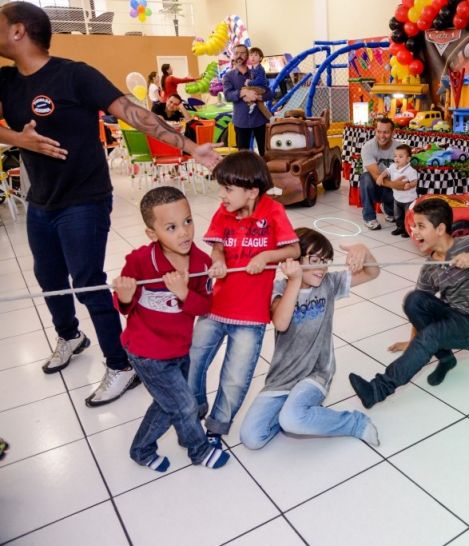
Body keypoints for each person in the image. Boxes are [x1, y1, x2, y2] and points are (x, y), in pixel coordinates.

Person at [0, 2, 220, 407]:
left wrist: (191, 148)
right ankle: (70, 336)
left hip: (84, 198)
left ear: (18, 32)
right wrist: (19, 140)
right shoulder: (6, 81)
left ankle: (120, 365)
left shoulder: (75, 75)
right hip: (41, 201)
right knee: (48, 279)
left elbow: (134, 114)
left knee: (87, 282)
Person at [348, 199, 469, 408]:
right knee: (414, 299)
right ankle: (446, 358)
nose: (414, 231)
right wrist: (412, 342)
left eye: (420, 226)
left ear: (440, 229)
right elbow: (418, 311)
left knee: (432, 334)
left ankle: (378, 389)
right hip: (452, 316)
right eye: (413, 226)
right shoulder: (430, 266)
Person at [112, 187, 229, 472]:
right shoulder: (139, 260)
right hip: (147, 353)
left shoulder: (201, 262)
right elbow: (122, 305)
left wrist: (184, 293)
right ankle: (198, 450)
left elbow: (203, 308)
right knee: (185, 405)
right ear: (152, 234)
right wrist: (125, 294)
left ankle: (141, 449)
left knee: (170, 405)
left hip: (179, 349)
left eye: (188, 221)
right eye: (171, 227)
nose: (184, 233)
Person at [188, 151, 300, 447]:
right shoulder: (222, 212)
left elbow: (294, 251)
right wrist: (218, 258)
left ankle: (216, 426)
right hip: (215, 308)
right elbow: (217, 247)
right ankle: (194, 408)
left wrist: (266, 255)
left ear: (252, 191)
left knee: (235, 377)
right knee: (193, 359)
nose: (221, 195)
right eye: (221, 187)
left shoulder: (273, 211)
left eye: (228, 189)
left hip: (250, 316)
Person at [239, 228, 381, 450]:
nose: (322, 268)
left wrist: (365, 251)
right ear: (292, 260)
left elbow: (373, 273)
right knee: (252, 438)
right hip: (282, 378)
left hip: (316, 373)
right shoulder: (278, 288)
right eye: (314, 260)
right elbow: (281, 322)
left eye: (326, 261)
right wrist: (294, 281)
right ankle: (296, 412)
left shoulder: (329, 284)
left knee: (292, 419)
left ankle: (354, 423)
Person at [223, 44, 268, 154]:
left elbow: (268, 92)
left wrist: (259, 96)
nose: (239, 55)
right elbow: (228, 96)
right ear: (233, 55)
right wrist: (243, 92)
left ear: (247, 55)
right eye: (237, 53)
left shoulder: (256, 73)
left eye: (243, 53)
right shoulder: (228, 76)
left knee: (265, 153)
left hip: (260, 120)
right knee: (243, 156)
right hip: (241, 121)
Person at [359, 118, 400, 230]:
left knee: (401, 179)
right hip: (374, 185)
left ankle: (388, 209)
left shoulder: (399, 148)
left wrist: (400, 184)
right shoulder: (368, 147)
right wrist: (396, 185)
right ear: (375, 131)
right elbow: (376, 176)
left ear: (393, 133)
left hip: (390, 185)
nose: (382, 135)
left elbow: (402, 171)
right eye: (379, 131)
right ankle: (369, 218)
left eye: (386, 132)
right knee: (365, 178)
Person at [375, 143, 417, 237]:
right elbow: (387, 171)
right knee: (397, 215)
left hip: (408, 200)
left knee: (408, 216)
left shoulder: (410, 171)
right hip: (397, 198)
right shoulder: (393, 166)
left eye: (400, 156)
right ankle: (399, 228)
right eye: (395, 156)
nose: (397, 158)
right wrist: (381, 176)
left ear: (408, 159)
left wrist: (410, 185)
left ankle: (407, 230)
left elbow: (415, 182)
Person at [244, 47, 272, 119]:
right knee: (261, 105)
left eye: (255, 55)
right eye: (251, 55)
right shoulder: (252, 68)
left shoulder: (259, 68)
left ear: (260, 58)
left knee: (244, 89)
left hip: (261, 88)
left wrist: (249, 82)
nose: (253, 57)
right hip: (257, 88)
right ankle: (271, 118)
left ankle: (251, 103)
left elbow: (260, 80)